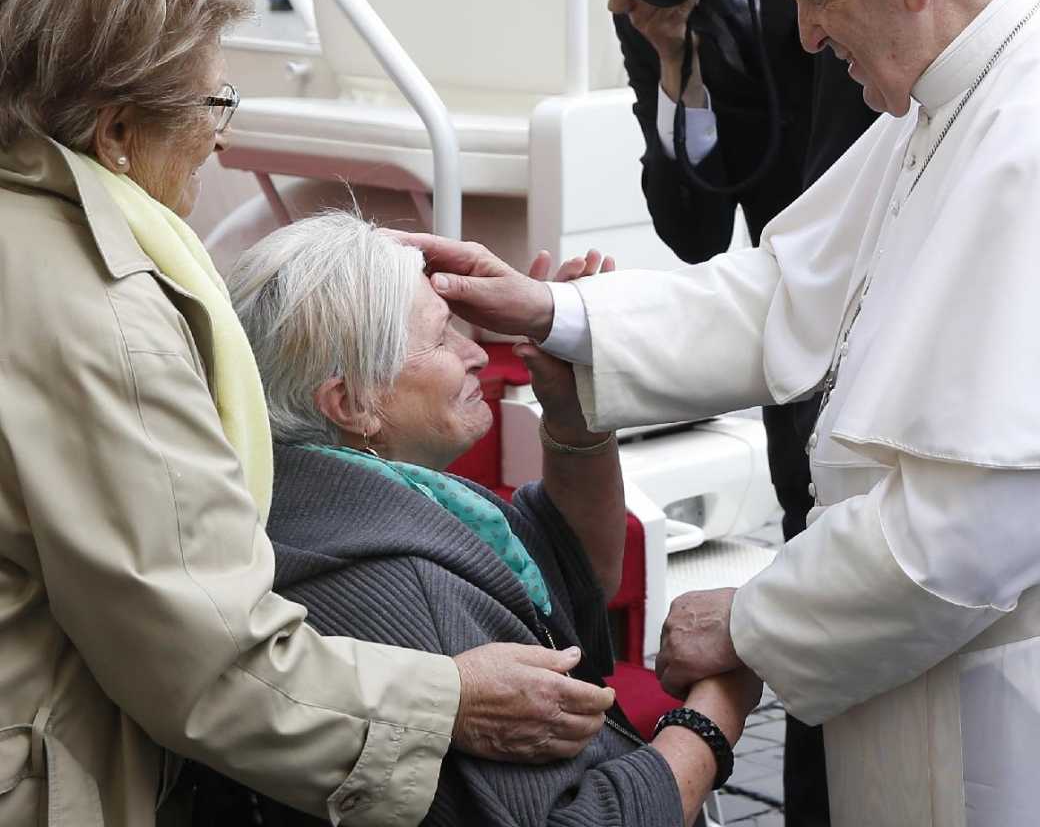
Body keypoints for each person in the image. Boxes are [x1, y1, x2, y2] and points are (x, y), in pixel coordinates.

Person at [403, 0, 1040, 826]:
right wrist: (556, 309)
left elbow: (961, 529)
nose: (807, 37)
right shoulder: (943, 88)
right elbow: (785, 287)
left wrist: (753, 618)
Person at [0, 0, 617, 827]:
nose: (223, 134)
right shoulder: (103, 314)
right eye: (212, 102)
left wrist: (576, 428)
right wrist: (451, 700)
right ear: (116, 133)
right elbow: (205, 661)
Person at [184, 211, 762, 827]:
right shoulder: (400, 580)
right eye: (441, 338)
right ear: (351, 402)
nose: (476, 355)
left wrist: (574, 419)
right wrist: (719, 705)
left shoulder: (318, 495)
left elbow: (563, 582)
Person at [540, 0, 876, 820]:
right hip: (793, 359)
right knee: (811, 586)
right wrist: (676, 51)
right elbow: (690, 228)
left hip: (892, 308)